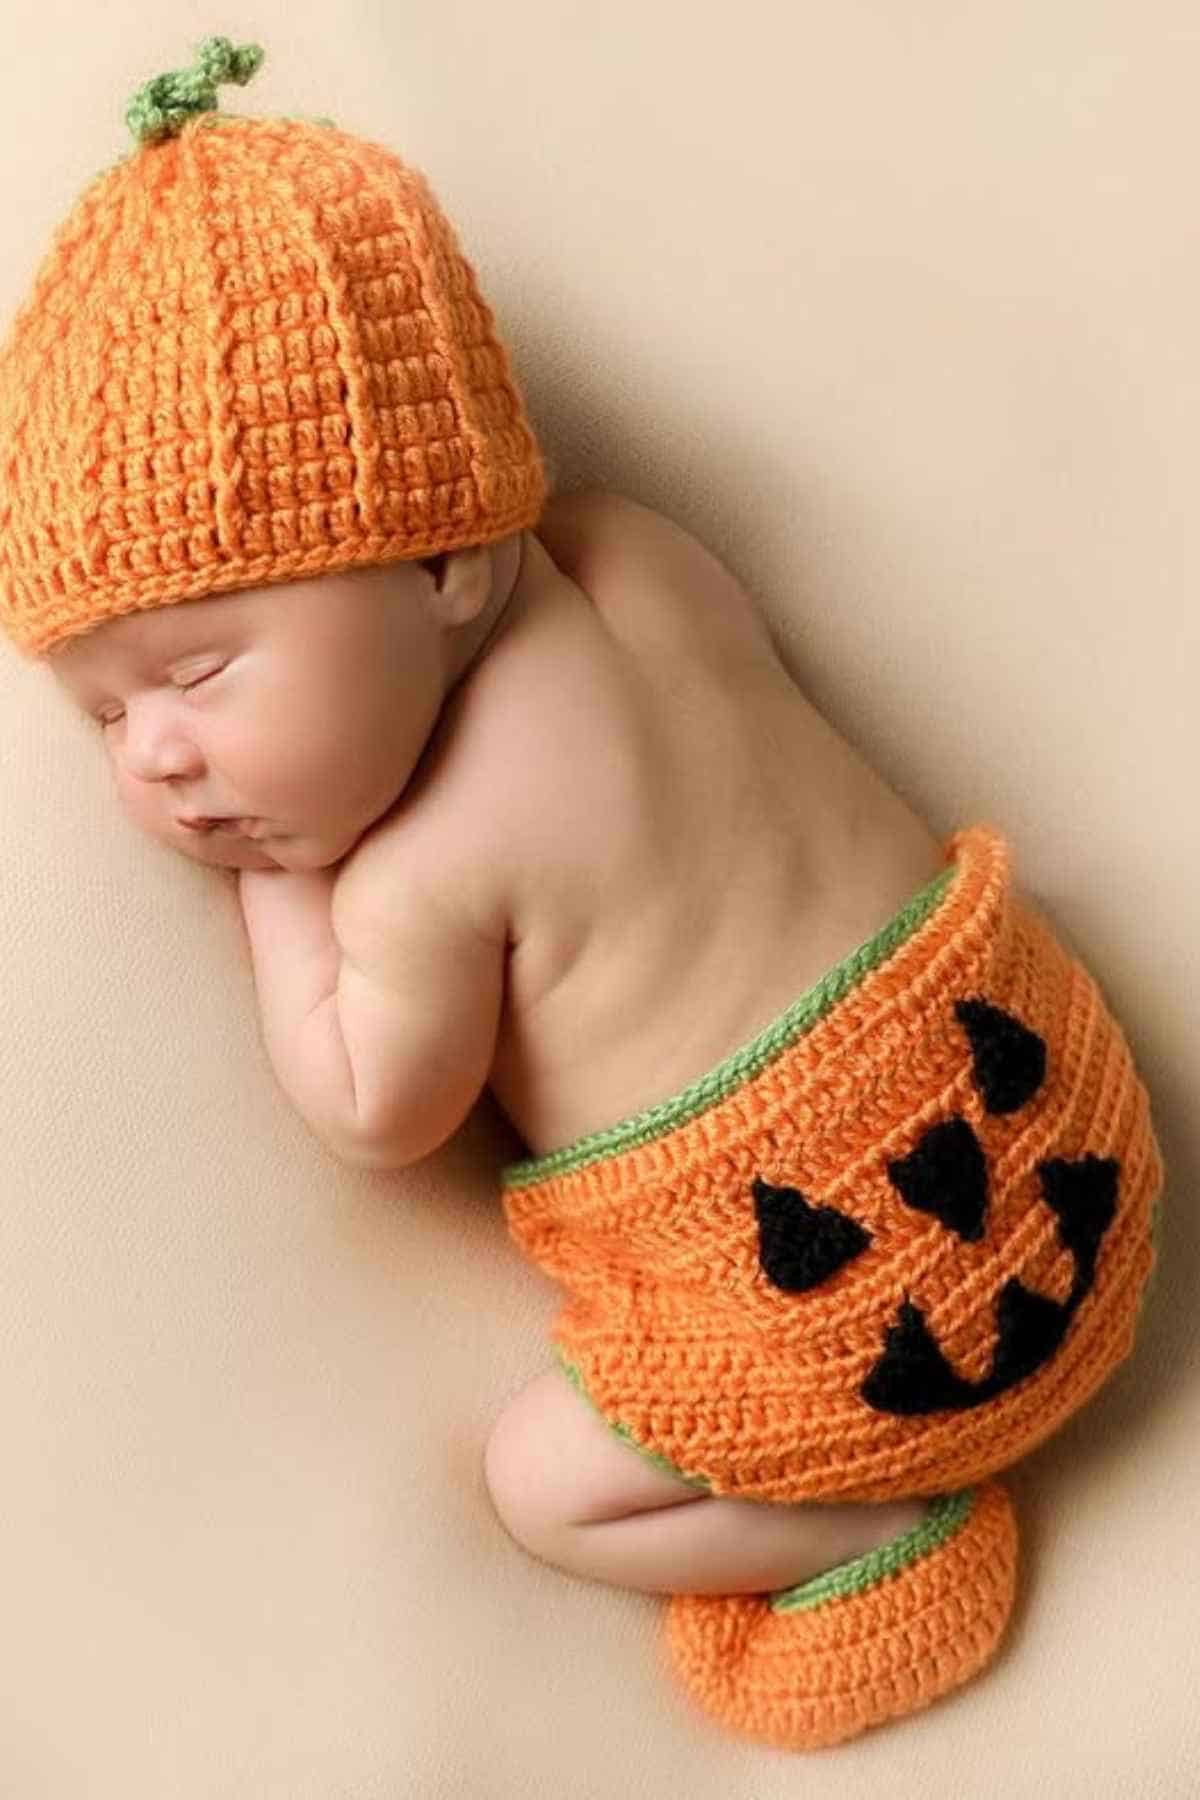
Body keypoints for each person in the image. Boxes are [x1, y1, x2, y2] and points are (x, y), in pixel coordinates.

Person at [0, 36, 1163, 1753]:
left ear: (446, 560)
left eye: (204, 670)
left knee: (536, 1480)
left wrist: (287, 881)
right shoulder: (640, 559)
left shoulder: (418, 876)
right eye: (102, 713)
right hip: (1075, 1122)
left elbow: (374, 1107)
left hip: (834, 1319)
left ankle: (871, 1527)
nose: (158, 762)